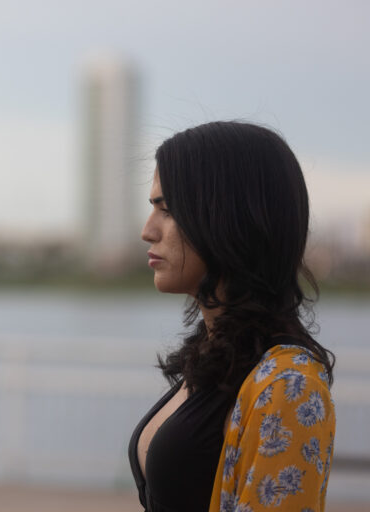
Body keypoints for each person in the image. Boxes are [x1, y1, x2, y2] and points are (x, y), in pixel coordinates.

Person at [128, 121, 335, 512]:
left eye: (167, 210)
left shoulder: (288, 385)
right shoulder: (216, 355)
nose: (147, 231)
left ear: (229, 220)